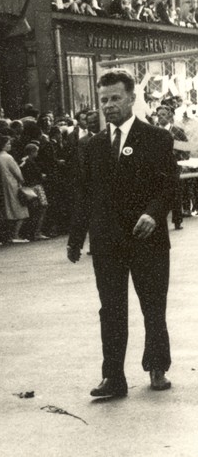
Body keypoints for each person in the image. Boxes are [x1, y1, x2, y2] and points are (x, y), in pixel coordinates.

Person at [67, 69, 176, 397]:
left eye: (115, 98)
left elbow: (168, 184)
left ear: (132, 98)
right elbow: (84, 194)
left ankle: (157, 368)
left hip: (148, 239)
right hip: (108, 241)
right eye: (104, 100)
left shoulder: (157, 137)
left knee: (152, 305)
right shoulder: (93, 145)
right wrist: (76, 239)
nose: (109, 105)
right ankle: (113, 377)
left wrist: (153, 214)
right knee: (111, 309)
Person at [0, 135, 29, 243]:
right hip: (13, 184)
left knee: (9, 209)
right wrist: (22, 180)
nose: (10, 145)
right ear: (3, 146)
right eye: (8, 144)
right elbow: (17, 172)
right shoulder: (8, 157)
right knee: (20, 210)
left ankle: (11, 235)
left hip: (4, 184)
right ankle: (16, 235)